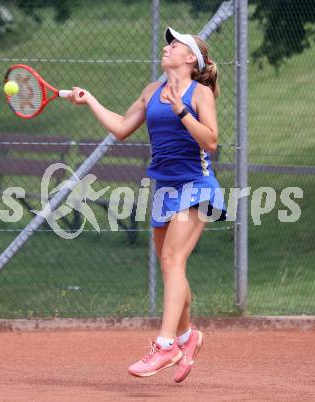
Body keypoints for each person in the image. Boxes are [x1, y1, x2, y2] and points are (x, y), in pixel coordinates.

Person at [67, 26, 226, 383]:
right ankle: (188, 337)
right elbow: (122, 128)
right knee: (172, 267)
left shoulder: (200, 93)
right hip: (164, 190)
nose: (168, 47)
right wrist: (90, 99)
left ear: (191, 59)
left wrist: (182, 110)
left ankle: (166, 345)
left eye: (177, 44)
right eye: (169, 42)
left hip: (197, 186)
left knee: (172, 260)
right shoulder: (151, 91)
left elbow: (212, 141)